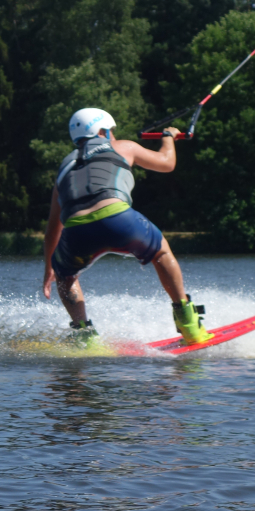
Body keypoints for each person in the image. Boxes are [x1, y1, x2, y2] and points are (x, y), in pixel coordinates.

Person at [42, 107, 212, 345]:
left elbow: (52, 231)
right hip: (119, 220)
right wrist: (168, 138)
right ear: (102, 130)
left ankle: (84, 336)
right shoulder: (123, 146)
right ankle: (188, 322)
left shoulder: (63, 169)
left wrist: (50, 268)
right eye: (111, 130)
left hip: (77, 231)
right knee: (161, 252)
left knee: (65, 277)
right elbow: (167, 163)